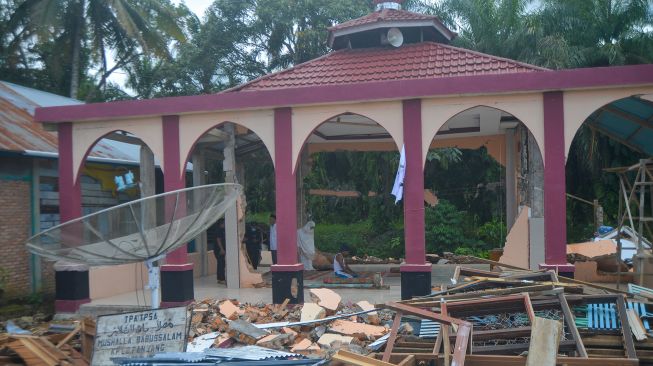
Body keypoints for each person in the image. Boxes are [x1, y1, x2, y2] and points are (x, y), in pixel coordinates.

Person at [213, 219, 226, 283]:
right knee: (220, 264)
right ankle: (221, 279)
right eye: (224, 223)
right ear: (221, 223)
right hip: (219, 250)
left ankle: (221, 278)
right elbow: (218, 240)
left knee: (222, 264)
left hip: (222, 250)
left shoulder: (223, 230)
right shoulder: (218, 230)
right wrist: (221, 249)